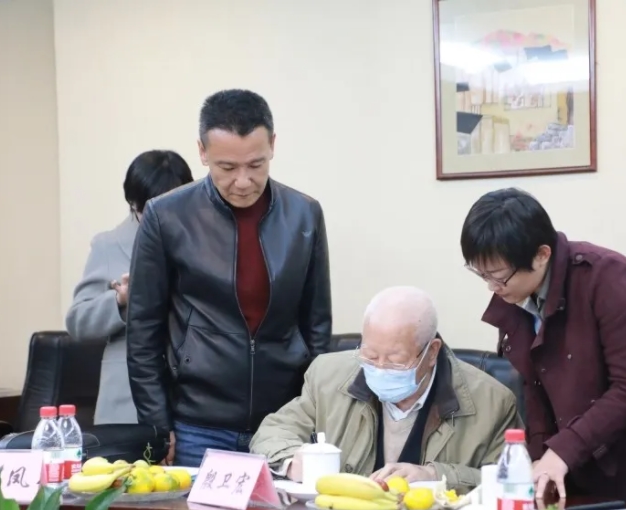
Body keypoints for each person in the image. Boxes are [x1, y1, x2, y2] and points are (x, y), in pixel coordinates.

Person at [460, 188, 626, 505]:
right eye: (482, 275)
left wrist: (561, 452)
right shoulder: (517, 298)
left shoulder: (609, 278)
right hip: (589, 463)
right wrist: (540, 458)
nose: (492, 287)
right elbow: (535, 388)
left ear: (542, 255)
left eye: (499, 276)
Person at [127, 89, 332, 466]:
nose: (243, 181)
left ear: (272, 145)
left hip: (283, 424)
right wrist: (157, 424)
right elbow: (143, 332)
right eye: (227, 168)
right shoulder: (166, 216)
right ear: (202, 152)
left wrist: (315, 415)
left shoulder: (304, 214)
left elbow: (316, 325)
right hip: (195, 426)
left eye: (256, 165)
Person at [250, 286, 521, 489]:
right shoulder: (328, 376)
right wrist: (293, 461)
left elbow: (511, 483)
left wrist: (436, 476)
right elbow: (272, 432)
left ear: (431, 352)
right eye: (370, 355)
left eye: (395, 360)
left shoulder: (492, 402)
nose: (380, 368)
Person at [65, 150, 194, 424]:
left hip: (193, 393)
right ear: (133, 203)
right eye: (150, 209)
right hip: (126, 398)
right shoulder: (108, 245)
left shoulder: (204, 241)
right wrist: (120, 301)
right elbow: (77, 322)